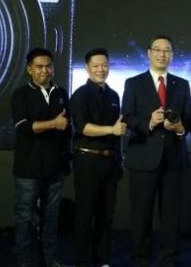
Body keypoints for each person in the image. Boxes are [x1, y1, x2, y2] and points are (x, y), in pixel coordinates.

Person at [122, 35, 191, 267]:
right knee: (141, 212)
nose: (162, 54)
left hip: (174, 158)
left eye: (167, 50)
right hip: (142, 156)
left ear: (172, 55)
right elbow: (127, 116)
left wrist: (181, 127)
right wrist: (149, 122)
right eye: (158, 50)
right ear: (149, 53)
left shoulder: (182, 84)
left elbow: (189, 117)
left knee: (171, 214)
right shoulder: (133, 83)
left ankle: (168, 258)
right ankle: (140, 257)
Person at [11, 47, 72, 267]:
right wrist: (53, 124)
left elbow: (66, 128)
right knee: (25, 217)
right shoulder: (21, 94)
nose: (45, 70)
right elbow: (23, 127)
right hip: (28, 168)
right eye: (39, 67)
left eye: (48, 66)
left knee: (52, 217)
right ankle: (24, 262)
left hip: (55, 168)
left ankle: (50, 260)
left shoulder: (61, 93)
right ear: (30, 69)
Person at [70, 48, 126, 267]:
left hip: (110, 161)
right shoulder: (80, 95)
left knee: (106, 214)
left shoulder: (114, 95)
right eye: (96, 66)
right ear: (87, 68)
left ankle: (102, 259)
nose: (101, 69)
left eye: (104, 65)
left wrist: (119, 159)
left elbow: (119, 131)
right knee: (85, 213)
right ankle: (83, 261)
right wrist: (111, 130)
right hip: (87, 160)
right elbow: (83, 127)